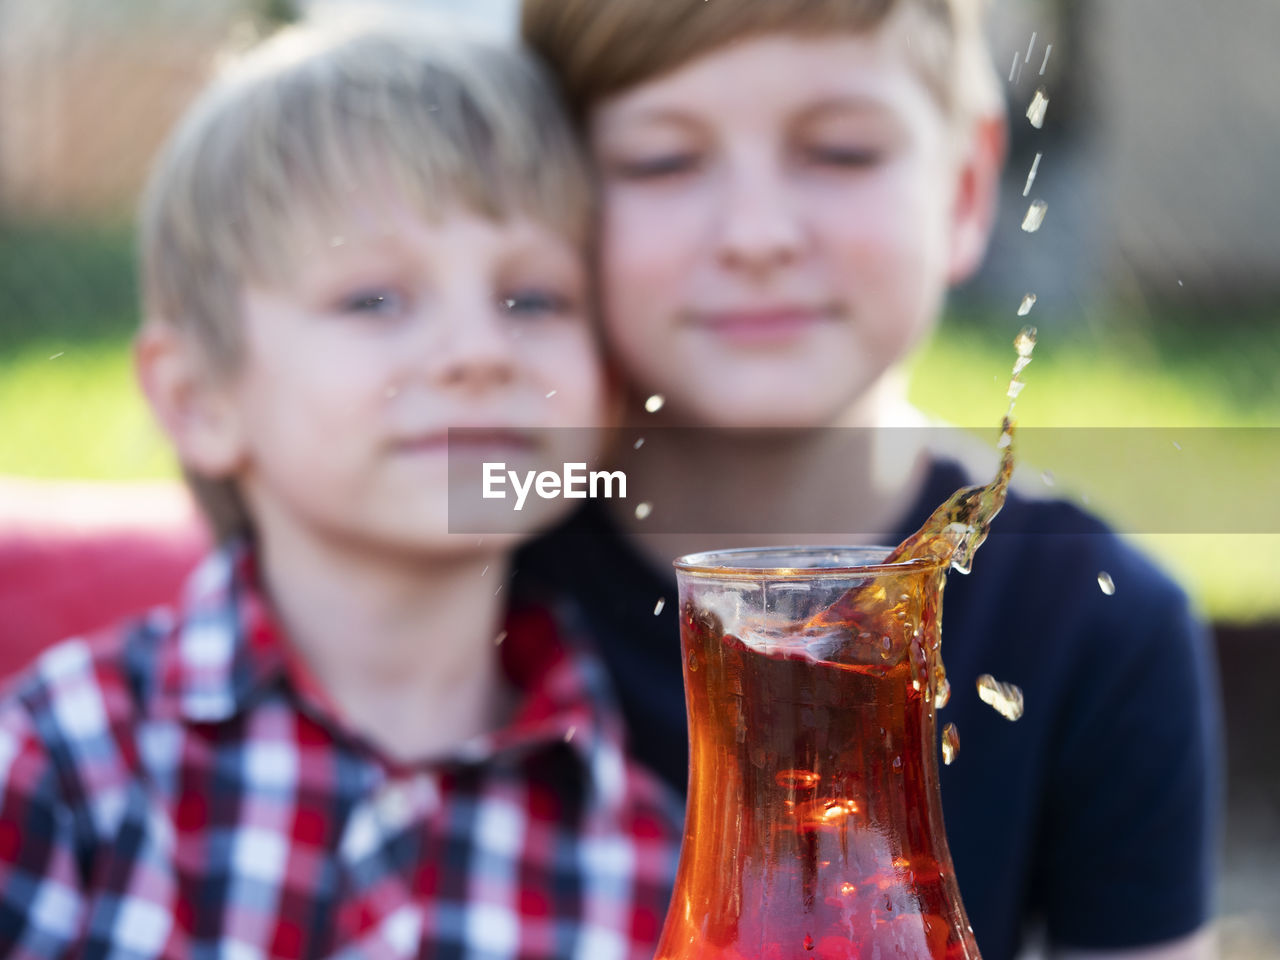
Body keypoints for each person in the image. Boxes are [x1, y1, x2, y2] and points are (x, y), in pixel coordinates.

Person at [514, 2, 1223, 958]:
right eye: (662, 161)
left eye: (841, 152)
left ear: (966, 187)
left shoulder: (1098, 624)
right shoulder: (473, 577)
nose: (756, 235)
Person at [0, 20, 680, 958]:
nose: (480, 351)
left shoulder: (660, 855)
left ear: (607, 389)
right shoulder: (65, 766)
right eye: (374, 299)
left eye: (536, 299)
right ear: (200, 398)